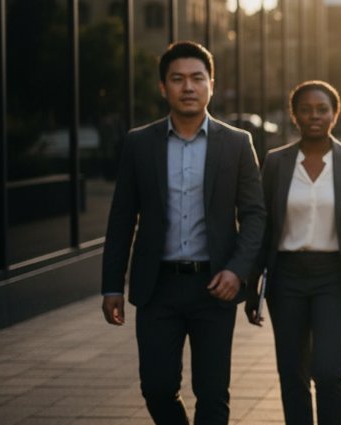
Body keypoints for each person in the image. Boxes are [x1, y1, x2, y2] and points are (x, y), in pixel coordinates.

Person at [101, 41, 266, 425]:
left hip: (215, 285)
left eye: (197, 78)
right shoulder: (139, 143)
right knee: (157, 388)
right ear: (163, 87)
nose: (188, 87)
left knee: (212, 394)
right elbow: (122, 217)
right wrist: (111, 285)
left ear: (212, 84)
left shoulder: (237, 143)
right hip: (157, 287)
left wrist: (237, 270)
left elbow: (255, 215)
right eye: (177, 79)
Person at [244, 81, 341, 425]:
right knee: (292, 373)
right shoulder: (276, 162)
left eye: (322, 109)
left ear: (335, 114)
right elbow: (264, 226)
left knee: (329, 371)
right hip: (286, 278)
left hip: (335, 277)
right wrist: (252, 284)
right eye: (306, 110)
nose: (314, 116)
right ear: (294, 115)